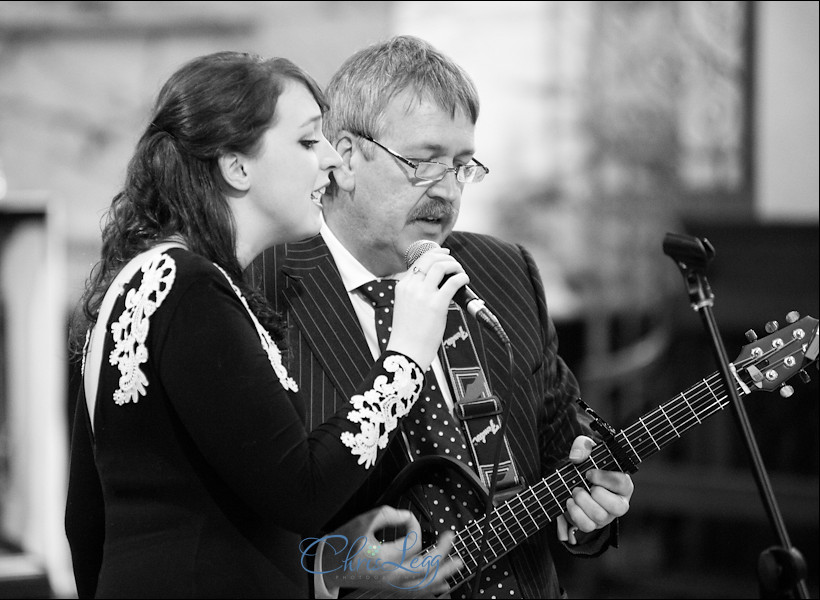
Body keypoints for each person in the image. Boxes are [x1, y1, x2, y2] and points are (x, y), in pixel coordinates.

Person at [64, 51, 467, 598]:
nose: (329, 159)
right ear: (237, 166)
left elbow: (90, 525)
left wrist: (328, 562)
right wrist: (404, 360)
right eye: (307, 141)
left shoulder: (152, 280)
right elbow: (301, 490)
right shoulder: (190, 288)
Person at [248, 35, 635, 599]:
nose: (448, 191)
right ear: (348, 159)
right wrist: (331, 571)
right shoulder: (266, 287)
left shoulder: (502, 270)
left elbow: (563, 445)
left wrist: (591, 506)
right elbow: (242, 522)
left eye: (461, 166)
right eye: (424, 161)